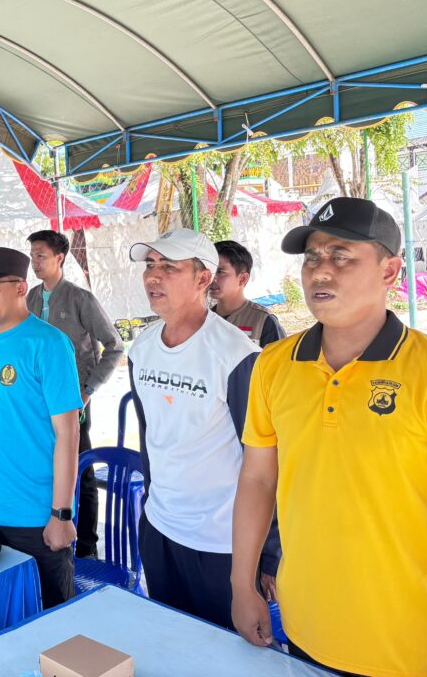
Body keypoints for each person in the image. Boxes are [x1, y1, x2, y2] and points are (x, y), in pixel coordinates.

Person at [232, 197, 427, 677]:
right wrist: (242, 586)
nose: (321, 271)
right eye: (313, 257)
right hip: (304, 629)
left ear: (390, 271)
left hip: (414, 647)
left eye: (342, 256)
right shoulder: (273, 366)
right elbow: (257, 481)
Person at [127, 229, 276, 630]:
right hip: (159, 529)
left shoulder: (236, 354)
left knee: (229, 655)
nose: (153, 277)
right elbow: (150, 439)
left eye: (169, 267)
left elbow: (265, 462)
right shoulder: (140, 349)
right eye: (150, 265)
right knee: (173, 642)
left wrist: (269, 555)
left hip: (221, 543)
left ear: (202, 279)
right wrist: (150, 514)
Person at [0, 247, 82, 609]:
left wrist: (61, 514)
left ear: (20, 288)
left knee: (54, 624)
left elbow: (68, 434)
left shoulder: (49, 344)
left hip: (36, 518)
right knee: (0, 616)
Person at [26, 229, 122, 559]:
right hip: (38, 400)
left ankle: (87, 547)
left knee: (80, 467)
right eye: (32, 256)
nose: (34, 262)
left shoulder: (81, 299)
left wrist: (89, 390)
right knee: (46, 463)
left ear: (59, 258)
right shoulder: (31, 298)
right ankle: (49, 530)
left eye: (40, 255)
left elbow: (114, 345)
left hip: (74, 399)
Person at [210, 240, 286, 347]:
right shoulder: (203, 320)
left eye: (220, 272)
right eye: (210, 271)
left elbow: (280, 362)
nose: (212, 278)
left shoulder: (263, 321)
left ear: (242, 279)